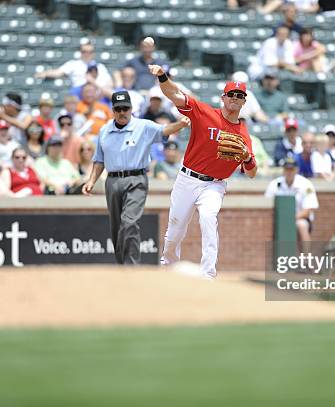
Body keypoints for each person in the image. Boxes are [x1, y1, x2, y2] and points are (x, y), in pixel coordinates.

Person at [146, 65, 258, 279]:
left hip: (214, 184)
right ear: (223, 98)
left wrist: (246, 157)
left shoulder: (244, 134)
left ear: (244, 101)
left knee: (208, 218)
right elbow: (174, 94)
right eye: (231, 94)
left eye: (240, 95)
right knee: (176, 228)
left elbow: (252, 172)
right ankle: (167, 264)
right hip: (187, 178)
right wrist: (162, 76)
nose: (235, 97)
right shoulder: (204, 112)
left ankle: (208, 274)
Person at [82, 90, 191, 264]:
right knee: (117, 227)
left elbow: (164, 131)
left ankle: (132, 267)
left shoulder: (143, 126)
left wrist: (181, 124)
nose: (122, 112)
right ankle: (122, 266)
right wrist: (91, 180)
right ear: (113, 110)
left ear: (131, 108)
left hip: (136, 179)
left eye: (125, 108)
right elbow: (99, 160)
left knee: (129, 222)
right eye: (118, 109)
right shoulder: (104, 130)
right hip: (112, 180)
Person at [264, 156, 319, 243]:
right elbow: (267, 206)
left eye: (292, 169)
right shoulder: (274, 184)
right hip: (278, 219)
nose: (289, 172)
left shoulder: (306, 184)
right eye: (287, 169)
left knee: (302, 225)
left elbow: (308, 210)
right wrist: (282, 219)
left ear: (297, 170)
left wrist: (289, 219)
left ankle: (306, 256)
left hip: (298, 218)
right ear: (283, 170)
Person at [36, 42, 114, 90]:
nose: (87, 54)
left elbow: (109, 83)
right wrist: (44, 73)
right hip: (79, 93)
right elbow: (58, 72)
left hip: (98, 93)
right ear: (80, 52)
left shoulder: (100, 67)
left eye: (90, 52)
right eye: (84, 51)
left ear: (93, 53)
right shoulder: (74, 64)